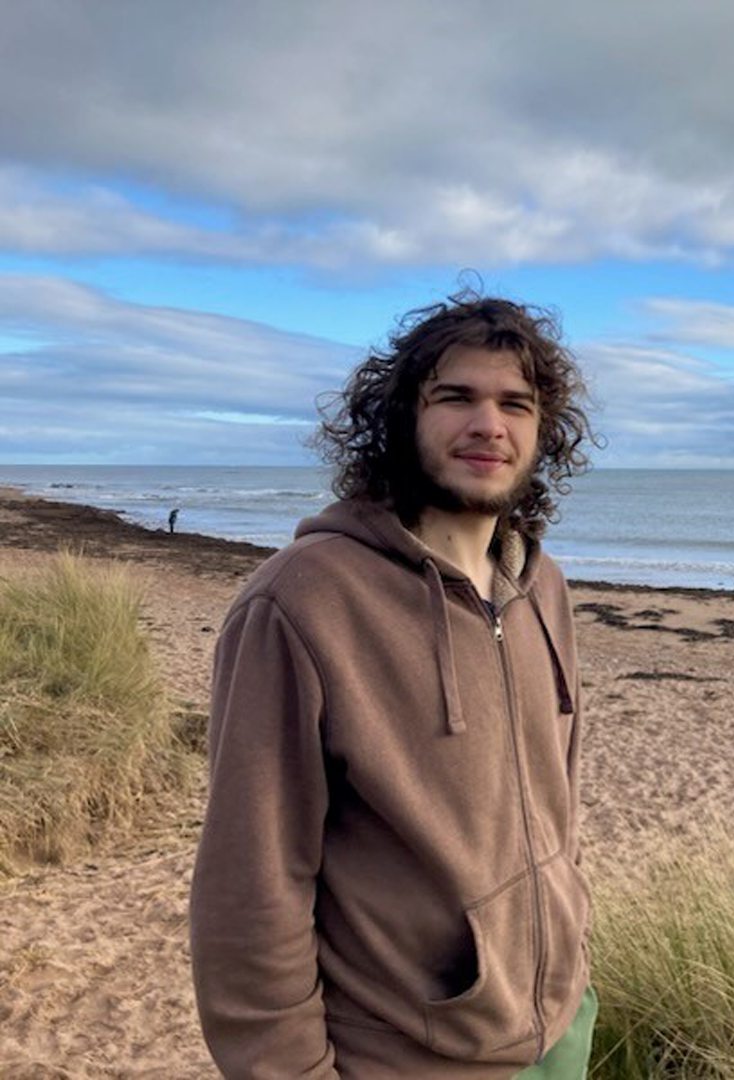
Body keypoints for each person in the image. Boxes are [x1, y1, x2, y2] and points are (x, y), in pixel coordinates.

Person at [190, 291, 597, 1078]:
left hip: (559, 1025)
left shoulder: (541, 587)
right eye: (457, 397)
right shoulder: (303, 601)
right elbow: (251, 885)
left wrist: (572, 947)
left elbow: (560, 801)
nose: (490, 424)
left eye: (516, 403)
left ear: (543, 432)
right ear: (402, 415)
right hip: (405, 1056)